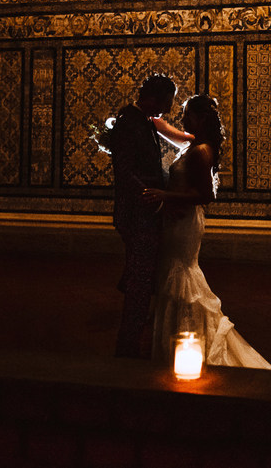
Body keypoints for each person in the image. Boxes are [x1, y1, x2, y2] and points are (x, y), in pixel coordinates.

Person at [140, 95, 271, 370]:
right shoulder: (192, 143)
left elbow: (205, 195)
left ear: (201, 119)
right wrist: (146, 112)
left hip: (185, 222)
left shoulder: (201, 150)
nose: (183, 118)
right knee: (173, 273)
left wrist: (165, 195)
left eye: (188, 114)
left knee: (183, 274)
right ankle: (175, 340)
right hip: (176, 218)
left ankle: (190, 337)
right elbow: (163, 128)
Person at [108, 74, 190, 358]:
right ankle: (129, 338)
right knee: (141, 277)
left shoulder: (142, 122)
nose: (168, 109)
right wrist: (152, 197)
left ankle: (135, 326)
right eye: (167, 102)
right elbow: (125, 170)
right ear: (153, 97)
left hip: (143, 211)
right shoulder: (129, 123)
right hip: (137, 213)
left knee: (141, 273)